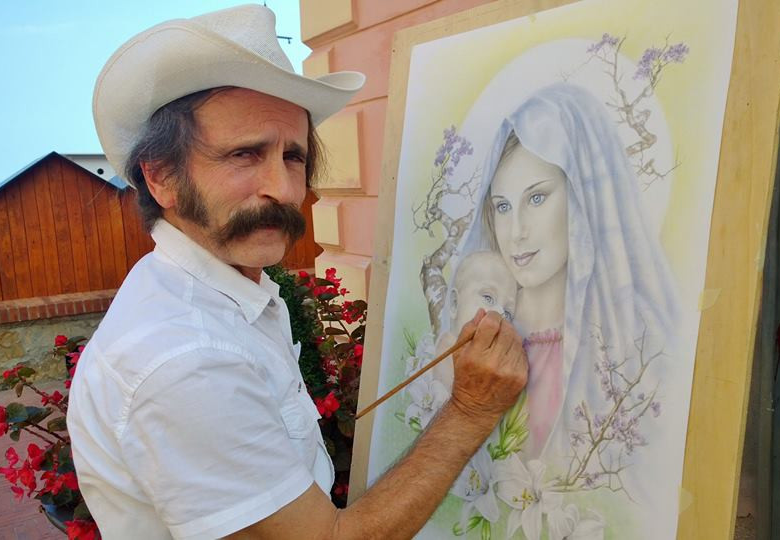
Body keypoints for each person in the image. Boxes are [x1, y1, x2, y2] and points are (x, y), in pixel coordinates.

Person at [65, 5, 527, 540]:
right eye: (244, 154)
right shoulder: (186, 359)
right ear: (162, 177)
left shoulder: (225, 293)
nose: (285, 190)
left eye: (292, 157)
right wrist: (470, 409)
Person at [454, 83, 680, 459]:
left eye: (537, 198)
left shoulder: (633, 341)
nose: (516, 231)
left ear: (583, 196)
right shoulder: (480, 326)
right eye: (503, 206)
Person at [431, 250, 518, 388]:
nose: (499, 315)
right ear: (454, 303)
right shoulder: (448, 347)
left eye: (507, 313)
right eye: (488, 298)